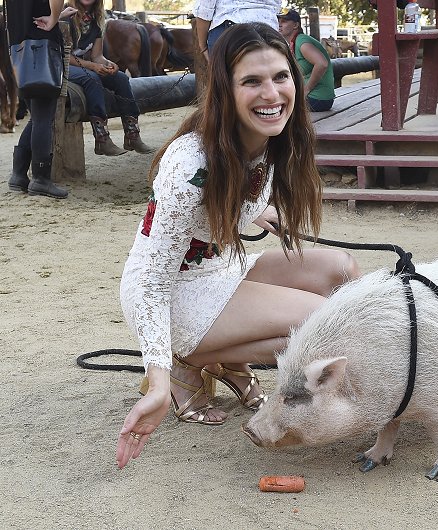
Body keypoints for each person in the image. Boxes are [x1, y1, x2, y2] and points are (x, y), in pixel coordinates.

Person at [115, 22, 360, 469]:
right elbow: (151, 280)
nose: (272, 94)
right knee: (320, 321)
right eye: (252, 81)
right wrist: (155, 378)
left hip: (223, 270)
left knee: (341, 270)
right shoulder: (190, 164)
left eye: (280, 77)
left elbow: (227, 206)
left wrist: (257, 213)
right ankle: (185, 359)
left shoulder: (270, 141)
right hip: (171, 294)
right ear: (225, 90)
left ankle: (219, 360)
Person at [60, 0, 152, 156]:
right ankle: (102, 139)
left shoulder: (96, 18)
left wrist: (109, 64)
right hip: (61, 66)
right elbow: (64, 56)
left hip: (82, 65)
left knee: (121, 78)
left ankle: (132, 135)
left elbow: (97, 56)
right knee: (92, 78)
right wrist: (93, 66)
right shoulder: (66, 14)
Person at [6, 0, 68, 198]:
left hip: (18, 45)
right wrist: (54, 18)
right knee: (43, 118)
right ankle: (41, 179)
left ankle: (18, 175)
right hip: (43, 40)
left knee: (37, 116)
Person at [277, 8, 335, 112]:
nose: (280, 25)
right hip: (316, 99)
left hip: (317, 99)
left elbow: (322, 63)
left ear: (296, 25)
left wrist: (306, 89)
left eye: (284, 21)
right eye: (278, 21)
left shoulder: (301, 41)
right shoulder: (293, 43)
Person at [192, 0, 280, 62]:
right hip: (269, 28)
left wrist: (202, 45)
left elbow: (205, 10)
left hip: (230, 25)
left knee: (226, 83)